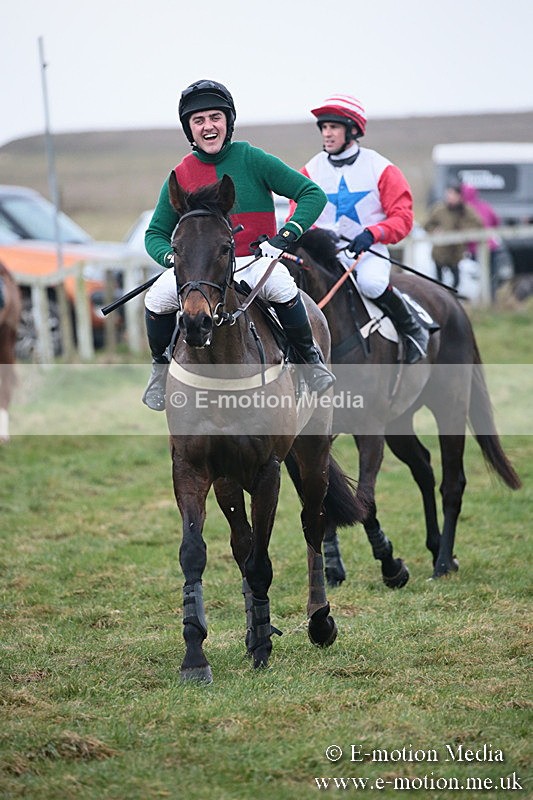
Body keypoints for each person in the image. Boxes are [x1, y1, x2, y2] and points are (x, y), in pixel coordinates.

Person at [142, 79, 335, 411]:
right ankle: (160, 372)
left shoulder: (253, 159)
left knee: (283, 288)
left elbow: (312, 194)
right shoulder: (181, 173)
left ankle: (311, 361)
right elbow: (155, 234)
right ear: (189, 129)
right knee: (156, 298)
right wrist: (173, 258)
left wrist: (285, 237)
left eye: (215, 117)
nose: (208, 126)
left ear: (227, 122)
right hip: (202, 271)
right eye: (198, 120)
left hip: (255, 260)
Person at [289, 93, 429, 364]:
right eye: (324, 128)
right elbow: (297, 212)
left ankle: (413, 329)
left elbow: (402, 218)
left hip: (366, 252)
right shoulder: (311, 169)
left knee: (372, 283)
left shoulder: (381, 168)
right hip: (323, 254)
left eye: (334, 128)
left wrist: (372, 234)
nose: (327, 134)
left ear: (352, 130)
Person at [424, 182, 483, 289]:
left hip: (456, 252)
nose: (449, 197)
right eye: (448, 194)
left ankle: (450, 298)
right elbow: (427, 225)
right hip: (440, 251)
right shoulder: (439, 210)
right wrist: (434, 231)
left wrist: (464, 232)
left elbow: (478, 225)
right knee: (439, 282)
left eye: (452, 195)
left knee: (456, 281)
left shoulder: (466, 211)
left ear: (459, 196)